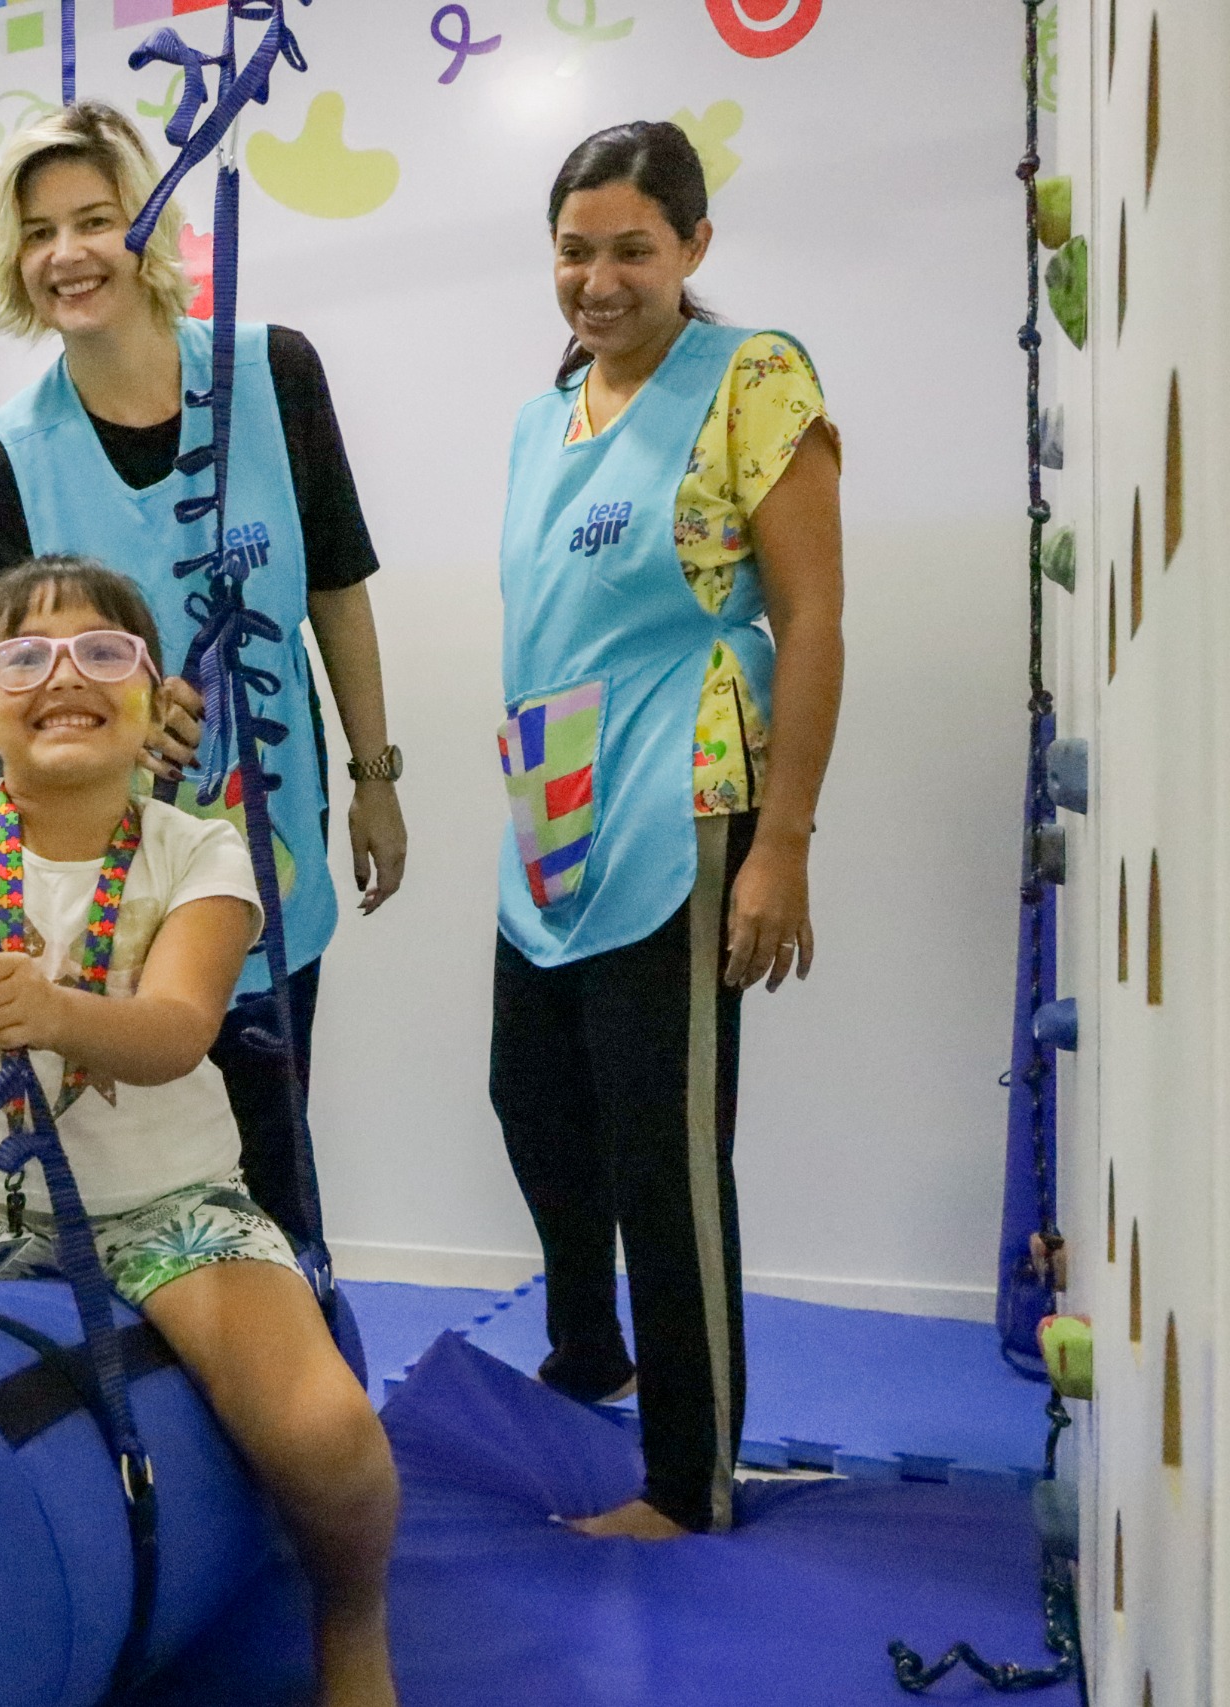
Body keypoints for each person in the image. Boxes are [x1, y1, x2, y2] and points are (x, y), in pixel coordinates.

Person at [0, 557, 399, 1706]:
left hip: (168, 1209)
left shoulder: (195, 848)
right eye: (24, 657)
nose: (65, 676)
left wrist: (58, 1014)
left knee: (326, 1436)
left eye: (105, 653)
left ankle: (350, 1624)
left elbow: (176, 1030)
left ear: (152, 702)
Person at [0, 102, 403, 1258]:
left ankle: (292, 1371)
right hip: (105, 869)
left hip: (271, 849)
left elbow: (337, 586)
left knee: (270, 1152)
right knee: (127, 1178)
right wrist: (108, 709)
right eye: (40, 231)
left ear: (146, 227)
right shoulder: (12, 450)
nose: (69, 254)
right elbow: (1, 687)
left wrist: (374, 775)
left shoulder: (271, 373)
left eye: (96, 219)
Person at [489, 120, 845, 1540]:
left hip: (683, 774)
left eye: (632, 247)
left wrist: (786, 842)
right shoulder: (545, 408)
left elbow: (812, 617)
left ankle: (689, 1478)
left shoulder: (752, 376)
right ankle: (592, 1346)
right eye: (575, 249)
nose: (598, 277)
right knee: (534, 1095)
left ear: (694, 248)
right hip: (551, 778)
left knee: (665, 1141)